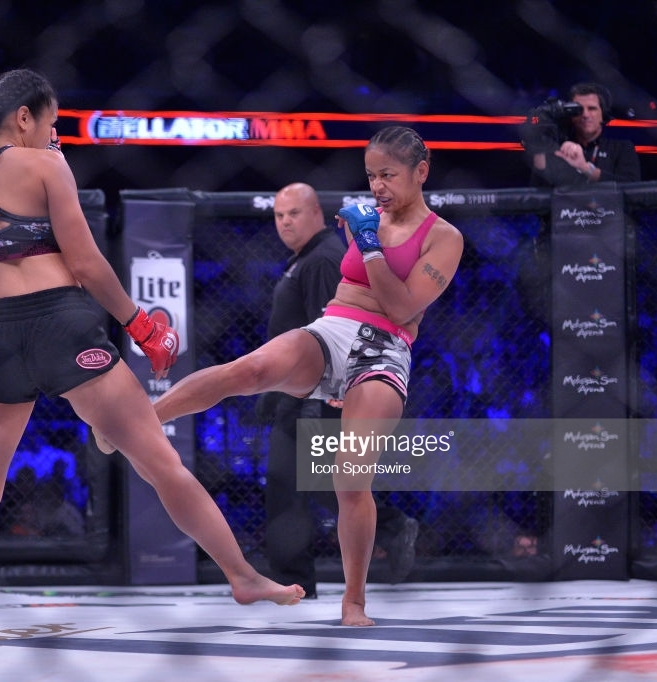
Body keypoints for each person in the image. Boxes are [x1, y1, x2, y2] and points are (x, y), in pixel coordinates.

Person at [0, 68, 303, 640]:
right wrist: (140, 326)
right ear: (23, 117)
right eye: (50, 122)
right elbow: (83, 263)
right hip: (60, 321)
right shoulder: (45, 164)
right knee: (161, 463)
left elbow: (0, 261)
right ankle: (242, 576)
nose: (54, 135)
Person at [98, 126, 463, 625]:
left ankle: (354, 601)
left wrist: (369, 244)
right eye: (371, 175)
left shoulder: (443, 237)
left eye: (388, 175)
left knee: (350, 478)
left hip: (385, 350)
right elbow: (351, 289)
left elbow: (401, 308)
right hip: (333, 327)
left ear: (421, 172)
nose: (377, 186)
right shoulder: (366, 218)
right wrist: (366, 237)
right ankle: (134, 422)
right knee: (246, 370)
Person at [256, 182, 418, 598]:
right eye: (279, 215)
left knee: (302, 484)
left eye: (294, 213)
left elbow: (334, 328)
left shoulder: (323, 259)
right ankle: (388, 530)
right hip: (300, 391)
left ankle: (294, 582)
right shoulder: (306, 260)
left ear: (316, 214)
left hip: (315, 392)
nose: (285, 222)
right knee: (318, 483)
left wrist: (332, 387)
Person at [526, 82, 640, 187]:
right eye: (579, 109)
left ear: (603, 114)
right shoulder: (557, 148)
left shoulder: (622, 148)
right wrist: (539, 147)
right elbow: (539, 193)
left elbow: (632, 189)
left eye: (592, 109)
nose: (585, 115)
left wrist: (585, 168)